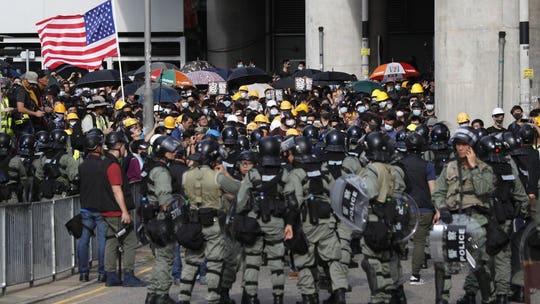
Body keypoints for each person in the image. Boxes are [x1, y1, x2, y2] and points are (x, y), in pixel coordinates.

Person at [432, 126, 495, 304]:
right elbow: (438, 192)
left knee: (477, 264)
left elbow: (483, 190)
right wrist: (442, 207)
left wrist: (474, 167)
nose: (460, 148)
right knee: (441, 260)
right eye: (458, 144)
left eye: (465, 144)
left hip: (475, 220)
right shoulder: (450, 167)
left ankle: (486, 298)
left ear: (473, 146)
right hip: (451, 219)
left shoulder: (484, 168)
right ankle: (442, 298)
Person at [283, 136, 348, 304]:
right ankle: (340, 293)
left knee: (304, 259)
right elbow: (336, 191)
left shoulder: (296, 174)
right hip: (328, 220)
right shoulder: (323, 169)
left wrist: (289, 223)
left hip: (307, 223)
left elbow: (294, 201)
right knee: (333, 259)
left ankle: (309, 297)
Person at [178, 138, 240, 304]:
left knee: (191, 261)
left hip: (193, 224)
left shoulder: (186, 176)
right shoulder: (217, 177)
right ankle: (213, 297)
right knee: (214, 262)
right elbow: (239, 188)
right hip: (213, 224)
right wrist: (225, 173)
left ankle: (183, 297)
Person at [475, 135, 529, 304]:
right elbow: (521, 196)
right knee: (502, 258)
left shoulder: (478, 170)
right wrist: (521, 213)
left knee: (483, 258)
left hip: (482, 219)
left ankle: (488, 293)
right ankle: (502, 295)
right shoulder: (508, 169)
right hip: (504, 219)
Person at [235, 136, 288, 304]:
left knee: (252, 261)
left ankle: (250, 297)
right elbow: (292, 199)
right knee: (277, 262)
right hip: (277, 222)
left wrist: (240, 215)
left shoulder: (253, 173)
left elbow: (241, 201)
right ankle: (278, 297)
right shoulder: (283, 173)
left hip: (255, 222)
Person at [358, 132, 406, 304]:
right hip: (391, 218)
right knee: (390, 258)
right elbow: (400, 191)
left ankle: (378, 297)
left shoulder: (371, 169)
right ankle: (393, 292)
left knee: (371, 261)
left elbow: (368, 192)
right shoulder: (393, 169)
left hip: (374, 219)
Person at [101, 131, 147, 287]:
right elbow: (116, 190)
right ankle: (128, 275)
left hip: (107, 209)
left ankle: (111, 275)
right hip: (116, 211)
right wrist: (125, 212)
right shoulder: (113, 166)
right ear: (119, 146)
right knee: (130, 240)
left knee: (112, 240)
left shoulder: (104, 162)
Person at [144, 135, 183, 304]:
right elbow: (165, 200)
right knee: (165, 258)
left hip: (154, 218)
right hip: (162, 219)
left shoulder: (154, 167)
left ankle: (152, 293)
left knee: (160, 257)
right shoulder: (161, 172)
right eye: (170, 151)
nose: (174, 153)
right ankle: (162, 294)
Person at [397, 133, 436, 285]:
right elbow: (433, 189)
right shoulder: (428, 165)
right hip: (424, 207)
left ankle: (396, 275)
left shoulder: (399, 164)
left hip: (405, 207)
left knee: (398, 240)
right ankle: (415, 275)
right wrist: (438, 209)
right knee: (419, 242)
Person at [77, 129, 108, 282]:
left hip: (86, 208)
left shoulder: (82, 166)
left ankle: (83, 272)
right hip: (101, 208)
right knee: (102, 240)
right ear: (97, 147)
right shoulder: (104, 165)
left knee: (83, 240)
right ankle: (102, 273)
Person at [14, 71, 45, 137]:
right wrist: (35, 113)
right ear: (25, 80)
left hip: (17, 122)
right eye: (30, 83)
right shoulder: (21, 91)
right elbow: (20, 108)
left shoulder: (16, 88)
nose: (32, 86)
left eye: (34, 84)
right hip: (23, 124)